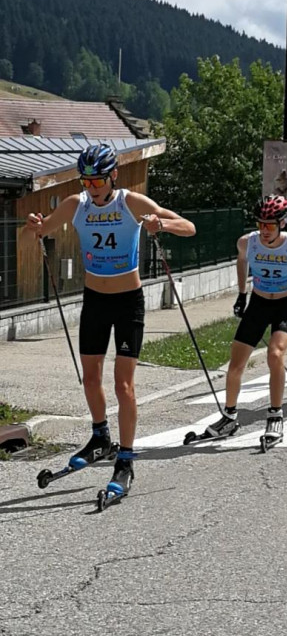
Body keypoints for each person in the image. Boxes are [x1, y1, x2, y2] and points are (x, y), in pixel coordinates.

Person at [22, 144, 196, 495]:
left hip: (128, 302)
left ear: (113, 175)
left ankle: (126, 459)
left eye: (97, 180)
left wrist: (160, 224)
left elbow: (189, 227)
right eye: (86, 181)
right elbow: (36, 233)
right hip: (95, 301)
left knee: (123, 385)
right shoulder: (76, 205)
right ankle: (101, 436)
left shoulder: (130, 202)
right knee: (89, 377)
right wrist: (33, 227)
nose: (91, 187)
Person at [200, 194, 287, 448]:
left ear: (282, 223)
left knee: (275, 354)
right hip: (258, 303)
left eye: (269, 225)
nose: (264, 230)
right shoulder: (247, 242)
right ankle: (229, 417)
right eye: (260, 224)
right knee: (236, 362)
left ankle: (275, 415)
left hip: (286, 305)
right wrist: (241, 294)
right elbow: (242, 261)